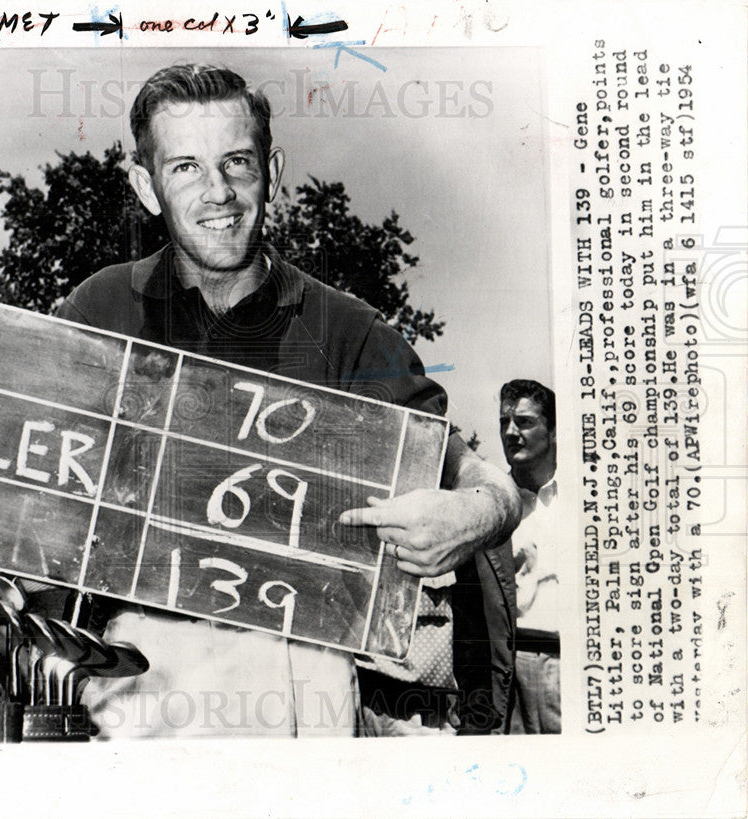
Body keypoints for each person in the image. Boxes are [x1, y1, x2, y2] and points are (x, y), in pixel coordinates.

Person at [56, 64, 520, 737]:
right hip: (138, 680)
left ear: (271, 171)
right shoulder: (97, 309)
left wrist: (480, 512)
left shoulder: (348, 329)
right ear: (145, 186)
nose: (219, 192)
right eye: (185, 167)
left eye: (237, 162)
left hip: (302, 681)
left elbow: (472, 474)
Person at [499, 379, 561, 734]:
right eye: (504, 422)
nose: (510, 432)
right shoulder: (493, 502)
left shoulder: (586, 494)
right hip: (510, 669)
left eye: (524, 422)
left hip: (569, 664)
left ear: (552, 430)